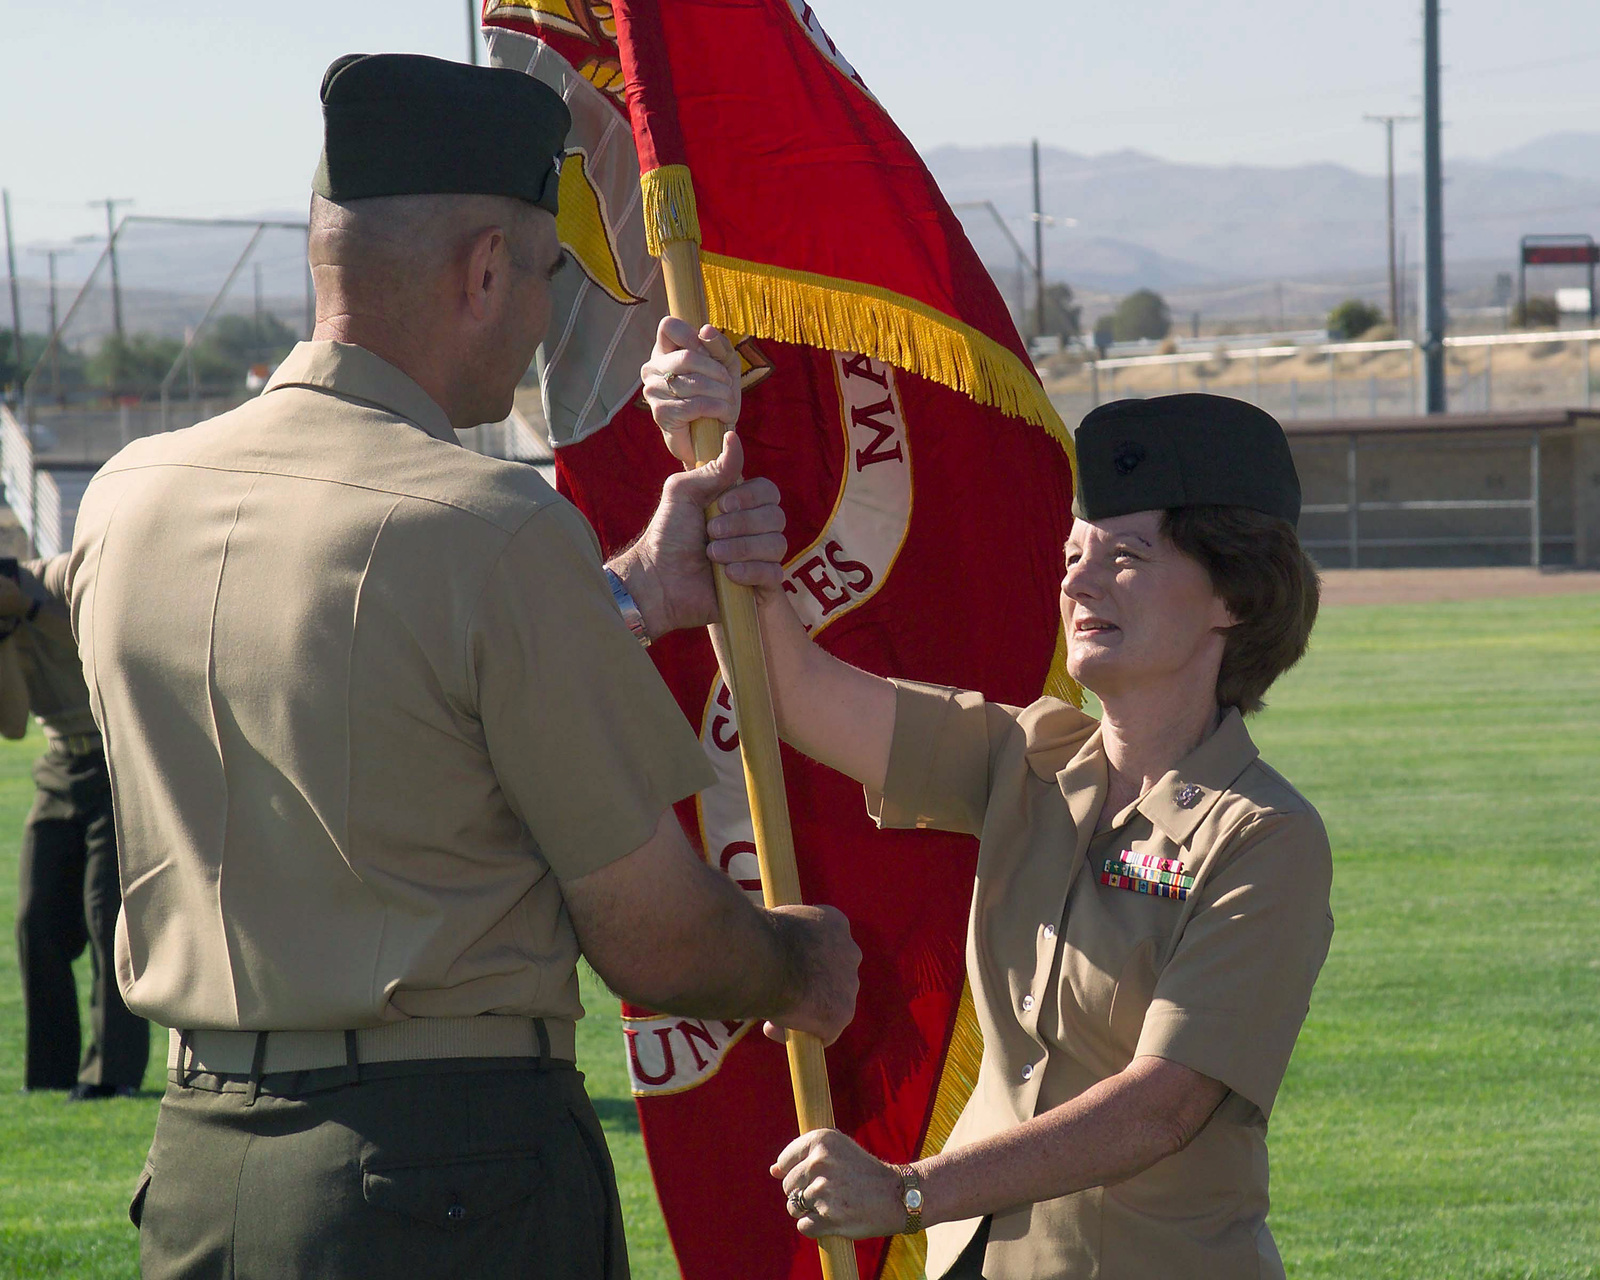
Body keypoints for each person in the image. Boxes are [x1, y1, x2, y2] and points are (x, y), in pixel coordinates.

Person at [65, 54, 858, 1280]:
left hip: (201, 1166)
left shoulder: (127, 500)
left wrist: (630, 592)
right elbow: (655, 940)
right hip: (446, 1174)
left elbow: (341, 664)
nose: (543, 319)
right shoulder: (492, 526)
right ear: (486, 268)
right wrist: (798, 961)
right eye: (544, 275)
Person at [644, 321, 1333, 1280]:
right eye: (1072, 555)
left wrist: (909, 1191)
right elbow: (792, 693)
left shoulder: (1265, 838)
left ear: (1237, 599)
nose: (1080, 582)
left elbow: (1163, 1105)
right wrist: (708, 461)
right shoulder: (1028, 756)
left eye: (1127, 556)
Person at [4, 554, 148, 1099]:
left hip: (118, 764)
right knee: (35, 920)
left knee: (106, 915)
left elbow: (103, 642)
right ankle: (49, 1076)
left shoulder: (61, 577)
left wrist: (33, 610)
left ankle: (111, 1076)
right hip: (59, 767)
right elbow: (14, 724)